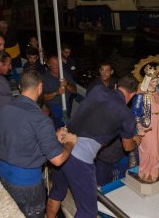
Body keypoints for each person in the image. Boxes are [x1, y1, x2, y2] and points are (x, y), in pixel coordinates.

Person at [46, 75, 142, 218]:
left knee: (57, 191)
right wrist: (136, 140)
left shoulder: (97, 90)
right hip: (79, 159)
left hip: (61, 145)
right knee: (88, 211)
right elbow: (127, 147)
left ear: (115, 86)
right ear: (133, 94)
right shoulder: (127, 116)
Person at [0, 70, 78, 217]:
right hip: (26, 184)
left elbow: (22, 137)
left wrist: (52, 137)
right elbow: (58, 160)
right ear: (40, 88)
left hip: (3, 174)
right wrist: (69, 143)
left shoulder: (5, 108)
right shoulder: (41, 119)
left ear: (21, 87)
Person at [131, 64, 159, 183]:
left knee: (157, 148)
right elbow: (135, 112)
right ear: (148, 79)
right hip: (147, 125)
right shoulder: (142, 93)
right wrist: (139, 126)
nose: (155, 82)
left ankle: (154, 169)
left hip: (158, 122)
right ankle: (144, 170)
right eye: (153, 80)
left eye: (157, 80)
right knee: (147, 149)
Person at [42, 56, 77, 129]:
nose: (56, 66)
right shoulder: (44, 78)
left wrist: (66, 84)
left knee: (66, 123)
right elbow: (43, 97)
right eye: (54, 64)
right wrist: (56, 92)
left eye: (58, 64)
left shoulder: (65, 74)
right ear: (49, 65)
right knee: (60, 124)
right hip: (53, 106)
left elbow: (74, 91)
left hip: (66, 104)